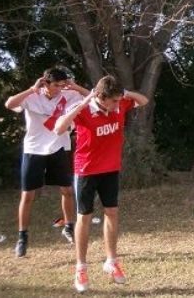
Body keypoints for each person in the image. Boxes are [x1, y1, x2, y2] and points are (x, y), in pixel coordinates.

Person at [54, 76, 149, 293]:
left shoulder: (120, 103)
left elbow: (143, 101)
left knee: (112, 212)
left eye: (119, 100)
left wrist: (125, 92)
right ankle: (81, 267)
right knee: (84, 217)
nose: (118, 105)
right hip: (86, 170)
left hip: (111, 169)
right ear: (101, 97)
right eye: (114, 101)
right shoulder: (84, 109)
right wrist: (82, 104)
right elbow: (59, 128)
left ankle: (111, 261)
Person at [4, 67, 89, 258]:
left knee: (67, 190)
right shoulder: (32, 96)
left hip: (59, 147)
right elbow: (9, 104)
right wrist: (31, 90)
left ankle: (68, 227)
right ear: (45, 83)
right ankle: (22, 237)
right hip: (34, 149)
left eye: (62, 85)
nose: (59, 89)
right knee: (28, 195)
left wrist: (75, 86)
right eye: (56, 85)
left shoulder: (69, 94)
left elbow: (93, 97)